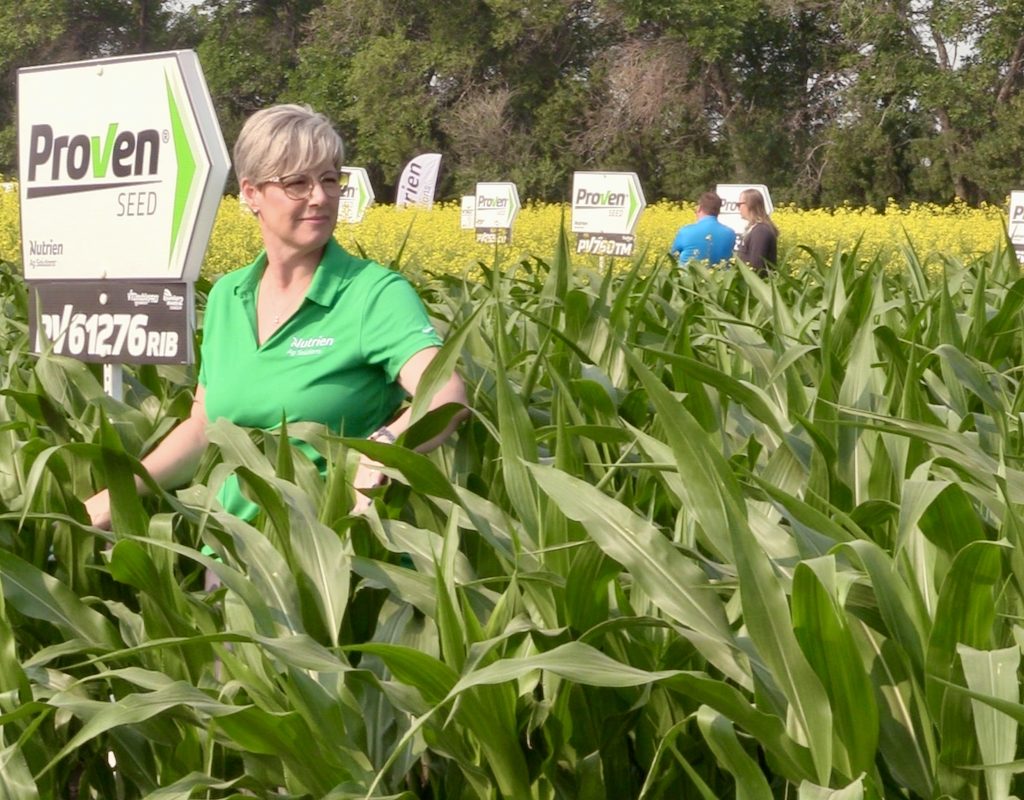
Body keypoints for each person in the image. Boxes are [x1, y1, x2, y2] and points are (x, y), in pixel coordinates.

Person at [86, 103, 468, 527]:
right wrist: (114, 497)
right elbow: (202, 428)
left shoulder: (373, 293)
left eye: (328, 179)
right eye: (296, 184)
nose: (320, 197)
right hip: (234, 562)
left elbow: (445, 394)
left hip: (335, 564)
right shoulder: (228, 296)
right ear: (251, 194)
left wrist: (385, 445)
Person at [668, 191, 737, 267]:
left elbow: (673, 257)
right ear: (718, 211)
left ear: (699, 208)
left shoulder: (685, 231)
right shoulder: (730, 234)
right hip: (720, 277)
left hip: (688, 277)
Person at [735, 187, 778, 274]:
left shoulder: (761, 231)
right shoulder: (756, 228)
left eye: (739, 204)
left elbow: (756, 265)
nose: (738, 208)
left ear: (749, 205)